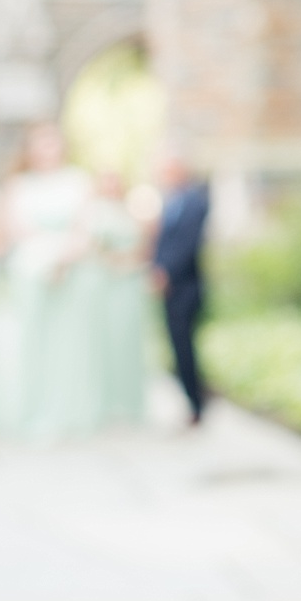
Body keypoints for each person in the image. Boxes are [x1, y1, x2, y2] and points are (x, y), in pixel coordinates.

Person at [1, 122, 97, 441]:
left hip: (70, 271)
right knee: (34, 341)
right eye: (41, 143)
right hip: (31, 271)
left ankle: (71, 412)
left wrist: (65, 258)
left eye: (53, 142)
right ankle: (34, 411)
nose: (48, 149)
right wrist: (47, 256)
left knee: (69, 343)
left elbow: (84, 228)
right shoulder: (19, 185)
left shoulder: (78, 182)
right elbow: (18, 229)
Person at [81, 170, 150, 425]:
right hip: (102, 284)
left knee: (128, 342)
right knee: (102, 342)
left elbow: (144, 248)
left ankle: (130, 402)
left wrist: (128, 261)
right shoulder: (93, 213)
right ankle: (103, 402)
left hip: (128, 284)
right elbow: (88, 247)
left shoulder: (132, 212)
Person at [151, 152, 210, 425]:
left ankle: (197, 405)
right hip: (170, 289)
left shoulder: (194, 202)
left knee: (185, 347)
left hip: (185, 287)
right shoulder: (170, 202)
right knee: (176, 347)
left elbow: (187, 245)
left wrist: (165, 272)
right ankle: (194, 400)